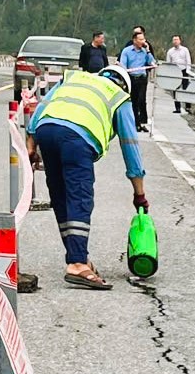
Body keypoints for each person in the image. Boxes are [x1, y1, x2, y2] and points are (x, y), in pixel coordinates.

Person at [27, 65, 147, 290]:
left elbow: (43, 104)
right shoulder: (119, 97)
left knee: (60, 195)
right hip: (76, 137)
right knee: (79, 197)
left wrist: (31, 143)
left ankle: (77, 256)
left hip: (46, 130)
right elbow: (130, 146)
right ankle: (78, 263)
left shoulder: (76, 78)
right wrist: (139, 193)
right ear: (124, 85)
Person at [121, 27, 155, 133]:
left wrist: (148, 51)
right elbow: (123, 66)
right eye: (140, 40)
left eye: (143, 39)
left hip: (142, 79)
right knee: (133, 102)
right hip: (131, 79)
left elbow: (152, 62)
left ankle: (140, 122)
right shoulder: (127, 51)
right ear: (134, 40)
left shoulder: (145, 51)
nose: (143, 42)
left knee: (141, 100)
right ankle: (135, 123)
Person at [165, 35, 193, 113]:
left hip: (184, 70)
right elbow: (168, 63)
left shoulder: (185, 50)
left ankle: (188, 107)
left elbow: (188, 61)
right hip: (175, 71)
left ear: (180, 41)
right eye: (174, 40)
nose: (175, 41)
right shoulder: (170, 51)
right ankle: (177, 108)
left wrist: (188, 70)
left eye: (177, 39)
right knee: (175, 89)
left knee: (186, 89)